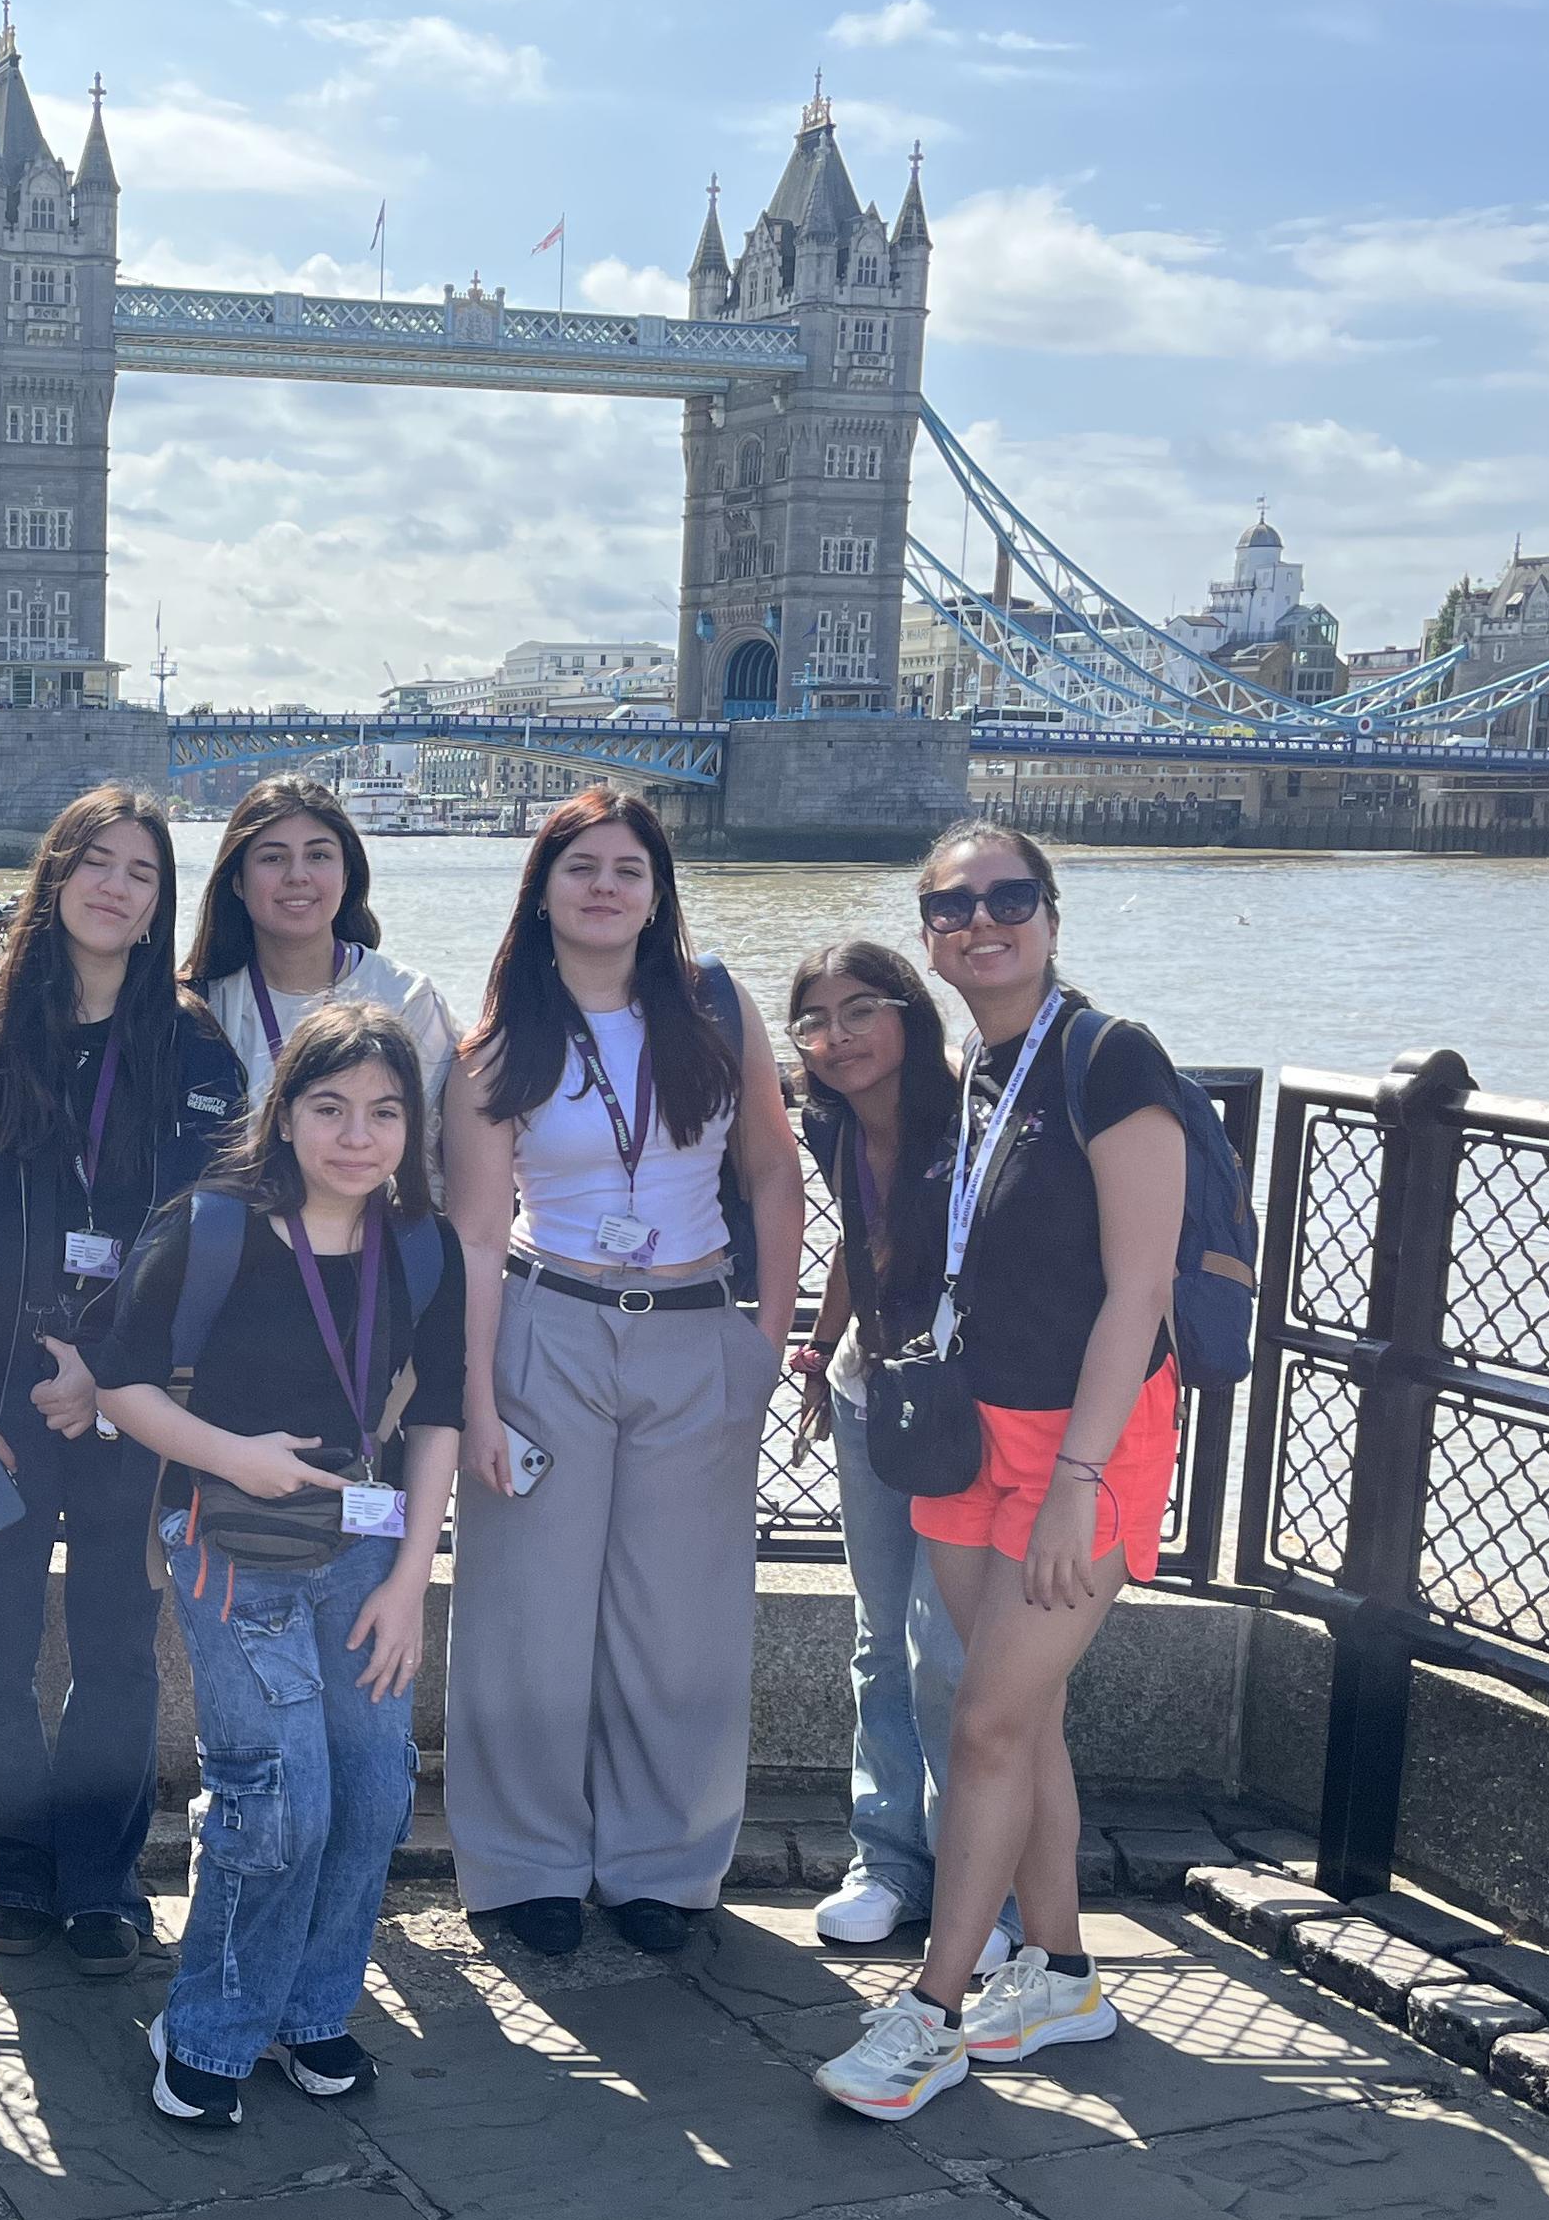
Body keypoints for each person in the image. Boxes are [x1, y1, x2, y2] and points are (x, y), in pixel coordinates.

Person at [817, 828, 1188, 2122]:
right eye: (950, 906)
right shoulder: (973, 1066)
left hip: (1087, 1445)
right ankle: (1066, 1973)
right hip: (978, 1436)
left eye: (1007, 898)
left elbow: (1140, 1288)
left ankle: (933, 2009)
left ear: (1050, 910)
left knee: (980, 1721)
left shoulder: (1110, 1057)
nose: (982, 923)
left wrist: (1083, 1478)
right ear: (926, 933)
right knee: (1018, 1717)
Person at [441, 792, 806, 1959]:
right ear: (541, 888)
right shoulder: (496, 1044)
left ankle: (663, 1861)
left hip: (696, 1327)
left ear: (658, 896)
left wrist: (766, 1338)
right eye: (581, 867)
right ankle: (525, 1865)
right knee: (525, 1611)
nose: (605, 887)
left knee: (682, 1617)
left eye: (629, 870)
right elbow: (477, 1236)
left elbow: (773, 1176)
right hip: (549, 1325)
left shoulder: (717, 1011)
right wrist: (478, 1398)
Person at [93, 1004, 464, 2126]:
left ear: (413, 1127)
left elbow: (440, 1414)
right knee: (281, 1795)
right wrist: (233, 1458)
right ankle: (208, 2024)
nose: (360, 1135)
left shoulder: (420, 1246)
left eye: (386, 1112)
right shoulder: (212, 1226)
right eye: (332, 1108)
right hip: (224, 1537)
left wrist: (412, 1579)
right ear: (286, 1114)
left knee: (372, 1786)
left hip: (364, 1546)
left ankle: (311, 2010)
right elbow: (120, 1380)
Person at [0, 786, 243, 1971]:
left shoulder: (198, 1049)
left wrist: (112, 1381)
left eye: (145, 872)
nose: (118, 887)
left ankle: (104, 1878)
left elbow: (207, 1238)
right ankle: (14, 1867)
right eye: (96, 863)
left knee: (120, 1643)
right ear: (54, 877)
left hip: (133, 1398)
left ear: (164, 902)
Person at [784, 942, 1011, 1964]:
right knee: (881, 1640)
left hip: (969, 1411)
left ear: (910, 1015)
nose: (838, 1038)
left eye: (861, 1010)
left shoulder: (970, 1121)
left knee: (951, 1656)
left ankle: (989, 1898)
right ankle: (886, 1862)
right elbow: (854, 1242)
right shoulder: (831, 1119)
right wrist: (824, 1345)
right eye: (816, 1020)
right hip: (874, 1401)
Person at [180, 776, 458, 1119]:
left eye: (318, 855)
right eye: (273, 858)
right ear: (237, 881)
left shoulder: (405, 1000)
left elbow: (429, 1153)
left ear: (345, 877)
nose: (298, 875)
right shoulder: (201, 1010)